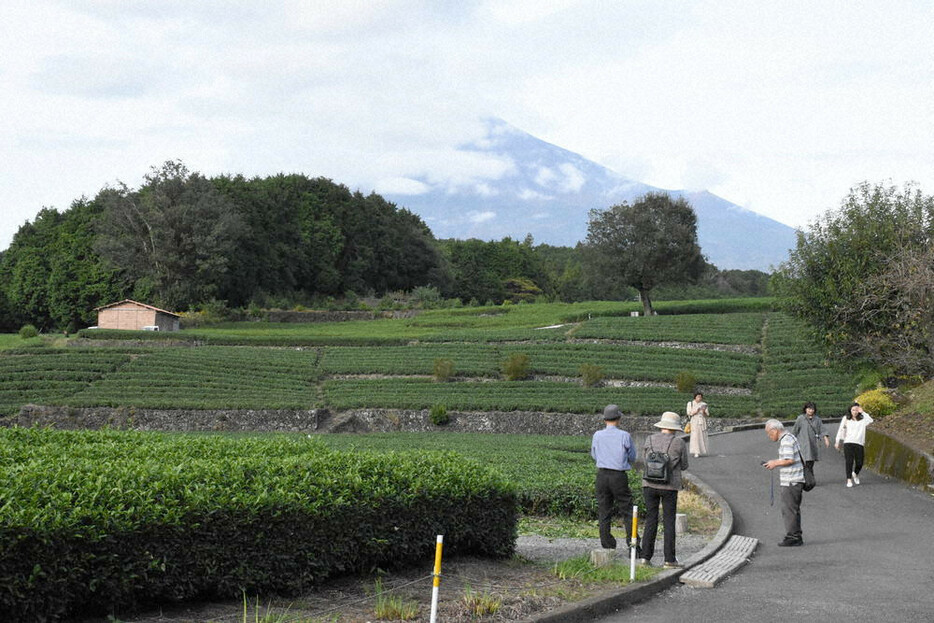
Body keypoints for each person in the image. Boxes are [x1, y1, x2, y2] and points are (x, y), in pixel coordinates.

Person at [639, 411, 689, 568]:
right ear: (674, 428)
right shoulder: (679, 443)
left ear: (662, 426)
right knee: (669, 521)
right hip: (670, 486)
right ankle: (669, 560)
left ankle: (645, 558)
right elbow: (685, 465)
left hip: (649, 485)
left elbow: (644, 460)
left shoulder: (650, 439)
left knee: (651, 520)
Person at [591, 404, 637, 550]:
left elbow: (594, 454)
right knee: (627, 510)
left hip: (602, 475)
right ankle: (633, 544)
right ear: (618, 418)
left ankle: (607, 544)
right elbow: (632, 456)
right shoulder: (624, 435)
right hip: (618, 476)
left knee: (604, 510)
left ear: (605, 419)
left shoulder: (597, 435)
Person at [763, 419, 805, 546]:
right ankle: (796, 535)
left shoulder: (786, 440)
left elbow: (789, 460)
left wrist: (774, 463)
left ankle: (792, 536)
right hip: (796, 479)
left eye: (769, 434)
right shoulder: (790, 437)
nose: (769, 437)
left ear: (775, 430)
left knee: (789, 509)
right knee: (793, 509)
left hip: (791, 480)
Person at [835, 402, 874, 487]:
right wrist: (837, 441)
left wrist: (863, 412)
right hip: (848, 442)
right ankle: (849, 480)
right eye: (853, 410)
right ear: (850, 410)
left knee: (860, 462)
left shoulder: (863, 419)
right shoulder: (846, 418)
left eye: (856, 410)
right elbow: (841, 430)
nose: (855, 412)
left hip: (859, 443)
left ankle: (855, 473)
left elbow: (871, 420)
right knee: (849, 461)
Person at [791, 401, 830, 473]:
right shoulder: (800, 418)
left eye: (812, 409)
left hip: (813, 444)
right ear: (805, 409)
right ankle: (808, 479)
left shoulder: (817, 419)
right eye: (809, 408)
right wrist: (791, 442)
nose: (811, 410)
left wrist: (826, 439)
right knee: (805, 462)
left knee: (811, 462)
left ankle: (808, 479)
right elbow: (795, 430)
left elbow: (822, 429)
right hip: (803, 444)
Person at [685, 392, 709, 458]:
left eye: (700, 397)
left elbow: (707, 414)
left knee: (702, 435)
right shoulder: (690, 403)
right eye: (698, 397)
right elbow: (689, 413)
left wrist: (703, 411)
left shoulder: (704, 404)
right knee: (695, 436)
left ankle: (702, 450)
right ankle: (696, 451)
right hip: (694, 421)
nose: (699, 398)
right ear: (695, 397)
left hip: (701, 421)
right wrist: (696, 411)